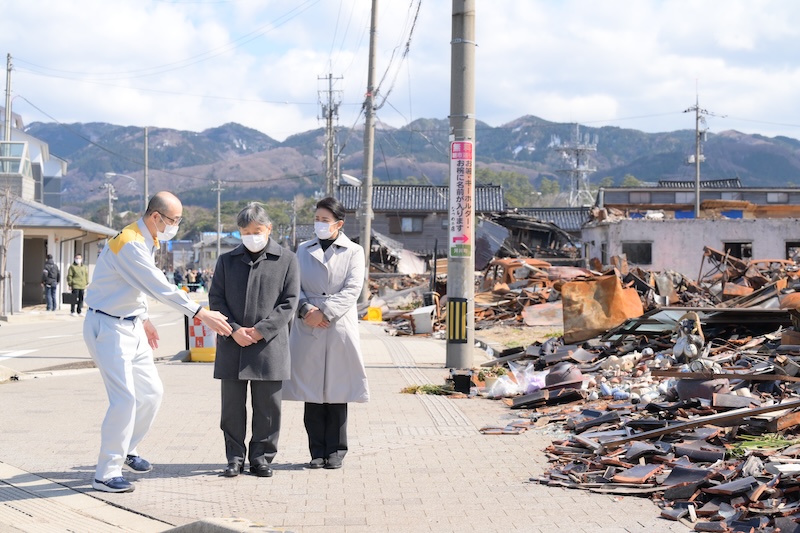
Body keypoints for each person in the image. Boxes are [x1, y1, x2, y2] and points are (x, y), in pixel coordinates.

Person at [83, 191, 233, 494]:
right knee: (124, 399)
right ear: (156, 217)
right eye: (174, 221)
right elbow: (158, 286)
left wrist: (145, 318)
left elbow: (133, 287)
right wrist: (201, 314)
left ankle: (127, 448)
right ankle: (105, 473)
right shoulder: (130, 244)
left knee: (151, 393)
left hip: (131, 325)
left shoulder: (147, 239)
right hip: (109, 327)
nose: (175, 226)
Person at [209, 203, 300, 478]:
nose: (252, 236)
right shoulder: (226, 260)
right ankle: (234, 457)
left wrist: (261, 330)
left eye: (257, 231)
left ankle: (262, 457)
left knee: (268, 408)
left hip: (269, 346)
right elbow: (216, 299)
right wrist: (234, 329)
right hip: (232, 344)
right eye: (245, 232)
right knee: (232, 409)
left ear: (269, 229)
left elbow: (289, 302)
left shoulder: (287, 260)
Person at [283, 196, 370, 470]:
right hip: (307, 323)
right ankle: (316, 452)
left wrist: (326, 312)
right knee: (312, 393)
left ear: (338, 224)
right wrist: (306, 309)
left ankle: (336, 450)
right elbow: (293, 285)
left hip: (337, 325)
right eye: (317, 219)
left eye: (325, 220)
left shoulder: (354, 251)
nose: (319, 225)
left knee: (337, 390)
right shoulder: (302, 250)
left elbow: (353, 288)